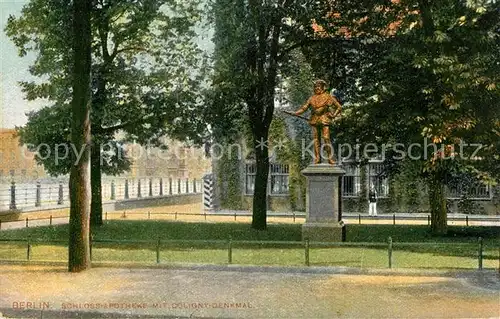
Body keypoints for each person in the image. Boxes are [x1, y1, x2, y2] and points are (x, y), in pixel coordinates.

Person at [294, 80, 342, 165]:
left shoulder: (328, 97)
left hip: (324, 119)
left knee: (326, 138)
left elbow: (339, 107)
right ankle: (317, 158)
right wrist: (295, 113)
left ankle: (330, 158)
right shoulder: (311, 98)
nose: (316, 88)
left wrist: (334, 115)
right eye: (315, 87)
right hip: (315, 119)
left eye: (318, 86)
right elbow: (304, 108)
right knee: (316, 140)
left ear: (323, 87)